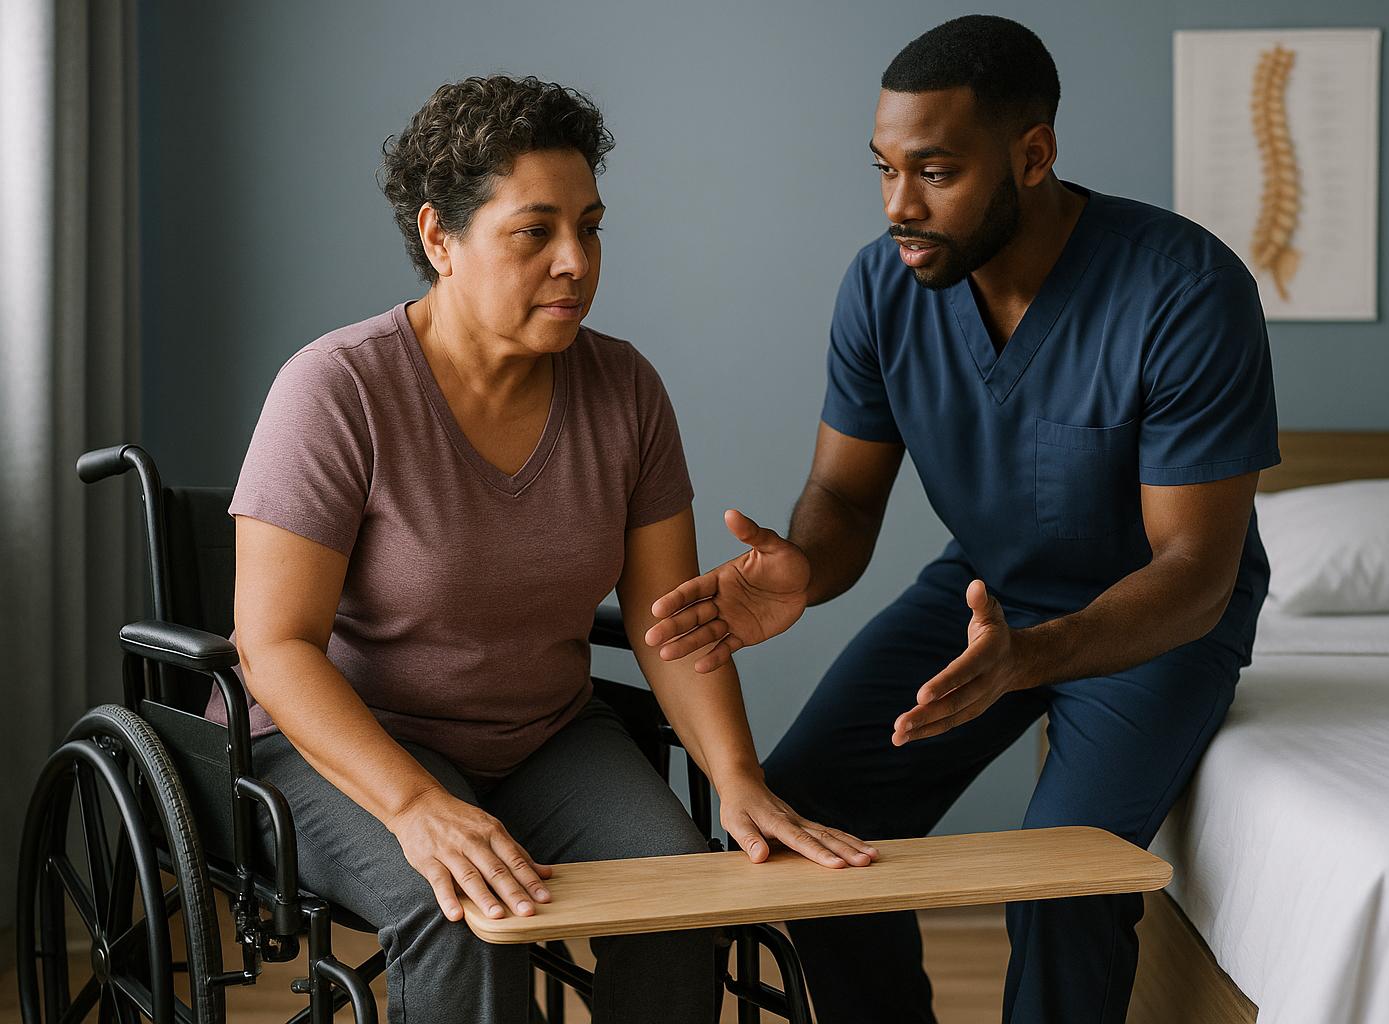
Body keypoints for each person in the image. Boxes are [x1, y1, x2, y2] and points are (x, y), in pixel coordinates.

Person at [644, 16, 1278, 1024]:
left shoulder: (1185, 291)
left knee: (1064, 884)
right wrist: (803, 567)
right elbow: (847, 500)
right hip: (985, 587)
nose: (901, 206)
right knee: (804, 808)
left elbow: (1198, 566)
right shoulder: (882, 287)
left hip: (1153, 620)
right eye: (886, 169)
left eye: (935, 172)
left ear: (1033, 156)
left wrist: (1033, 657)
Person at [218, 74, 875, 1024]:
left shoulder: (626, 390)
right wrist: (413, 808)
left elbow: (668, 627)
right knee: (464, 911)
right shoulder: (337, 391)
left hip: (542, 737)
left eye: (591, 227)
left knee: (679, 894)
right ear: (441, 238)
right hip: (348, 745)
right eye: (536, 232)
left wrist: (739, 780)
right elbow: (274, 647)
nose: (577, 261)